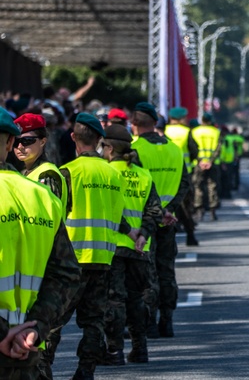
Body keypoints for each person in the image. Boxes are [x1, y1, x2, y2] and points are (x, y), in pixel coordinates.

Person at [44, 113, 133, 380]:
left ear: (73, 138)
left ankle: (42, 368)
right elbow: (119, 217)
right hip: (103, 258)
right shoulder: (113, 173)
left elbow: (54, 218)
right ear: (98, 140)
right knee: (94, 322)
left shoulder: (67, 173)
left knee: (53, 321)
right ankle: (86, 371)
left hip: (70, 262)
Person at [0, 112, 81, 380]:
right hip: (26, 351)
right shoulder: (39, 196)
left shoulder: (46, 179)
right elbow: (66, 274)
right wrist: (33, 328)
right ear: (11, 141)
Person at [101, 123, 161, 365]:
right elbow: (155, 210)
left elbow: (108, 209)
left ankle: (114, 351)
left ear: (109, 148)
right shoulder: (143, 174)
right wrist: (143, 234)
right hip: (140, 248)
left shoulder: (106, 173)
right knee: (135, 299)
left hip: (114, 246)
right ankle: (140, 348)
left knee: (114, 299)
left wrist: (128, 232)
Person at [130, 102, 190, 339]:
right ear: (155, 123)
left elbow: (133, 186)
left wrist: (155, 214)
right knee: (167, 270)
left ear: (133, 125)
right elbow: (184, 183)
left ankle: (150, 322)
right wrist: (169, 210)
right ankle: (168, 320)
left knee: (148, 271)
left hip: (145, 222)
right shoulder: (175, 150)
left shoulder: (135, 150)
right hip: (168, 221)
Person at [13, 113, 68, 216]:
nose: (20, 146)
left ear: (42, 142)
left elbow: (49, 218)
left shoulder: (47, 175)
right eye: (15, 141)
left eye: (27, 141)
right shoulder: (24, 173)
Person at [162, 107, 199, 247]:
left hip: (166, 174)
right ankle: (190, 235)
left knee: (166, 205)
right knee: (185, 207)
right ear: (180, 118)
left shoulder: (163, 131)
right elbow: (194, 150)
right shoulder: (186, 131)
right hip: (184, 174)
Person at [190, 113, 221, 221]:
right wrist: (210, 161)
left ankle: (199, 210)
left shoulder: (194, 132)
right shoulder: (216, 132)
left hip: (198, 164)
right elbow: (218, 148)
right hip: (212, 164)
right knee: (212, 186)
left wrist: (200, 161)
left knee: (198, 186)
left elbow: (193, 147)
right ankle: (212, 212)